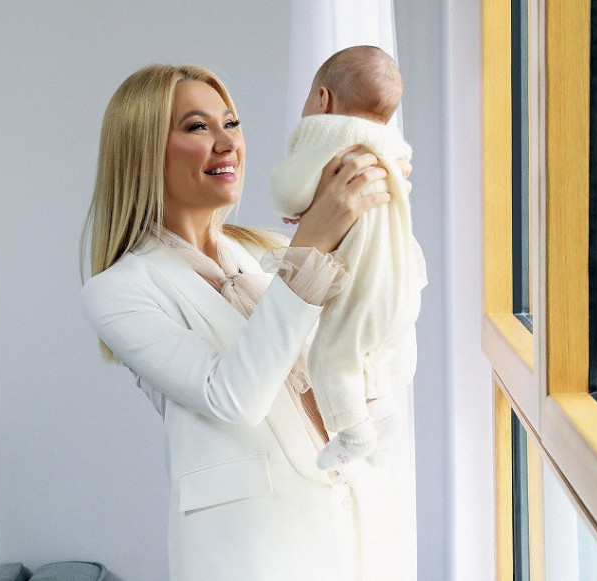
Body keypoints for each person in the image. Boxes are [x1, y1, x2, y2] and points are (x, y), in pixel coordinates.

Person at [80, 64, 416, 581]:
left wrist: (378, 221)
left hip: (354, 528)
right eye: (197, 127)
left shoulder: (273, 251)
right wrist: (311, 246)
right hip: (250, 554)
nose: (227, 144)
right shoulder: (119, 290)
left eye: (231, 123)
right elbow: (233, 398)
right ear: (143, 149)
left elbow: (375, 341)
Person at [271, 46, 427, 470]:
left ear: (323, 98)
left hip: (364, 285)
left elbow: (290, 191)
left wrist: (297, 199)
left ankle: (353, 435)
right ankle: (385, 421)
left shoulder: (326, 133)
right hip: (403, 281)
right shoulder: (390, 147)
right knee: (368, 358)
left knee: (330, 359)